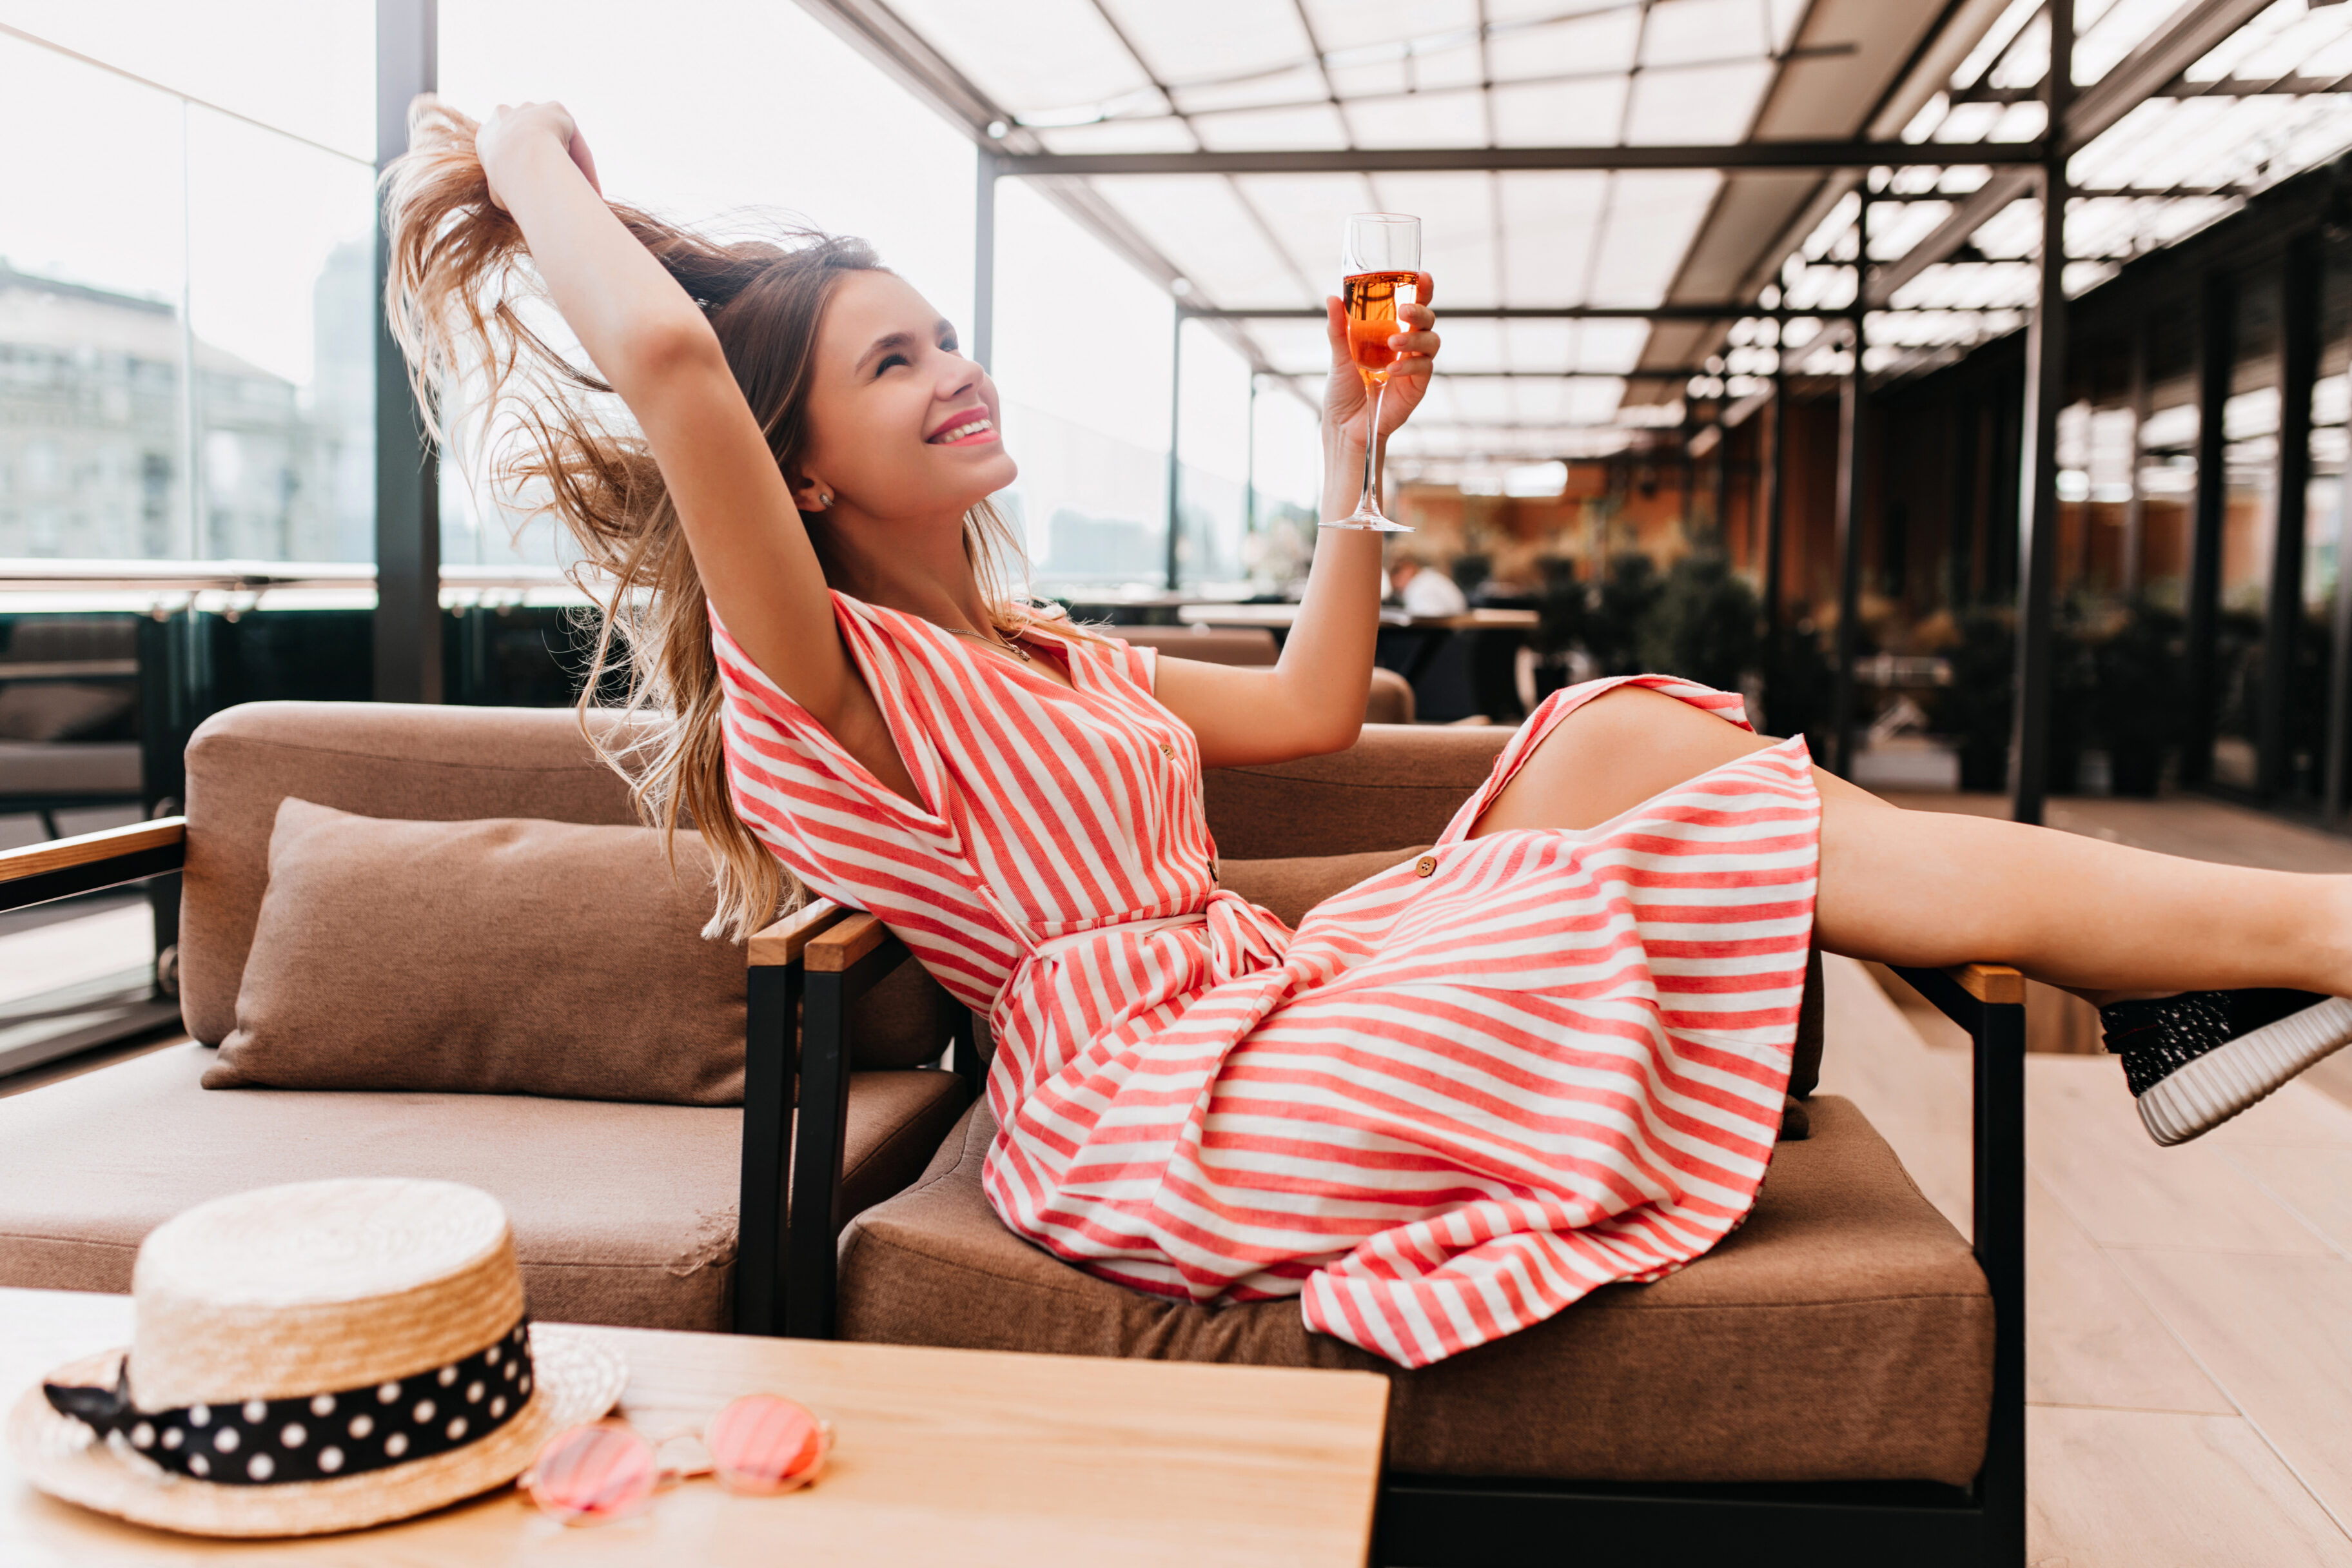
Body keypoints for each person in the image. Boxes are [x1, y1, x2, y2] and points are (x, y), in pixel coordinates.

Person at [387, 99, 2352, 1369]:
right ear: (793, 472)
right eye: (890, 363)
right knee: (1694, 819)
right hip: (1159, 1112)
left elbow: (1322, 708)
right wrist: (530, 162)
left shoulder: (1040, 651)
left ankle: (2192, 990)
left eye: (948, 335)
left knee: (1612, 743)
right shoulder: (824, 685)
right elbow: (662, 360)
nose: (956, 373)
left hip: (1271, 997)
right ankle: (2287, 947)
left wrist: (1355, 457)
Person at [1390, 551, 1469, 618]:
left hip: (1450, 630)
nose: (1396, 582)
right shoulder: (1427, 577)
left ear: (1409, 568)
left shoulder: (1420, 585)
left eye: (1398, 574)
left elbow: (1429, 618)